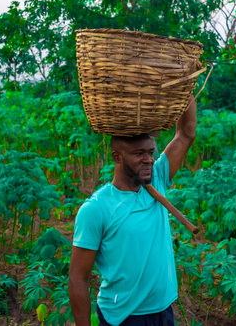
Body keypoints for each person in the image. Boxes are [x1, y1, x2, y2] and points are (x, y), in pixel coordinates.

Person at [69, 94, 197, 326]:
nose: (148, 159)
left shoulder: (157, 179)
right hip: (124, 317)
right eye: (139, 154)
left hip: (164, 310)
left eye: (151, 152)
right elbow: (78, 278)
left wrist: (185, 84)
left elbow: (186, 134)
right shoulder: (97, 208)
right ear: (116, 157)